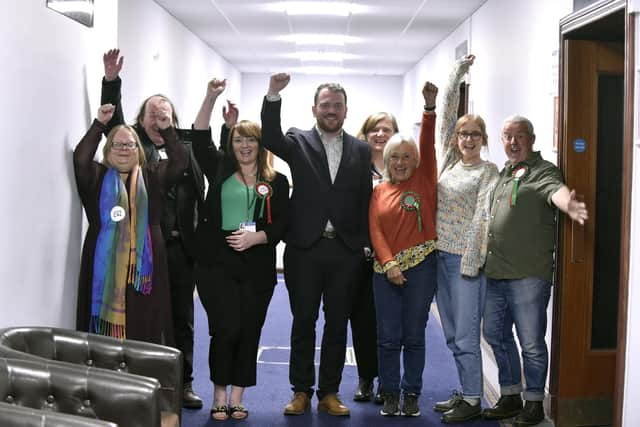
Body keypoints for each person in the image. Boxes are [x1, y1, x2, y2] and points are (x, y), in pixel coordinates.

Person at [261, 73, 372, 417]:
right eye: (325, 105)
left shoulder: (361, 149)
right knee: (304, 321)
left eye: (337, 106)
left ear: (346, 111)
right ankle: (301, 391)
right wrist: (273, 95)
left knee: (338, 324)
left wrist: (365, 245)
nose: (331, 110)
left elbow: (364, 198)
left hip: (345, 251)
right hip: (304, 249)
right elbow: (270, 136)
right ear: (314, 108)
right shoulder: (297, 141)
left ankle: (329, 392)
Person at [100, 49, 205, 408]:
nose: (161, 120)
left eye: (167, 115)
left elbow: (198, 190)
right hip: (137, 248)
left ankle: (183, 383)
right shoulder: (133, 147)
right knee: (143, 314)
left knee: (182, 319)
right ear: (141, 119)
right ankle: (141, 383)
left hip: (179, 248)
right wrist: (111, 82)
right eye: (154, 114)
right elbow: (114, 123)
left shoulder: (183, 150)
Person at [191, 78, 289, 421]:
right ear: (231, 143)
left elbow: (281, 225)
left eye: (251, 140)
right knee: (223, 329)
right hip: (216, 264)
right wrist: (210, 96)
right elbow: (200, 137)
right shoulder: (220, 169)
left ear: (261, 145)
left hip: (257, 266)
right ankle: (218, 394)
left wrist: (258, 238)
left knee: (249, 330)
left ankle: (237, 396)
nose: (244, 145)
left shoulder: (277, 181)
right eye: (238, 139)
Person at [481, 115, 588, 426]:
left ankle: (534, 403)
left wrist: (569, 204)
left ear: (532, 139)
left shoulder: (543, 172)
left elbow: (556, 191)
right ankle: (511, 394)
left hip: (529, 275)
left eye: (520, 136)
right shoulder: (504, 173)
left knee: (530, 341)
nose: (513, 142)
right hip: (496, 272)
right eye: (507, 136)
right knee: (495, 334)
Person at [73, 103, 187, 346]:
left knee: (143, 321)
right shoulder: (96, 177)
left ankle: (140, 375)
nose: (124, 149)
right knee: (102, 336)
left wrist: (167, 129)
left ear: (139, 149)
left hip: (144, 269)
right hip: (102, 264)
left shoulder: (153, 176)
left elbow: (180, 162)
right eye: (118, 144)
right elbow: (80, 158)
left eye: (130, 144)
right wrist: (99, 125)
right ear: (108, 149)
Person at [430, 55, 499, 423]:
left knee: (468, 334)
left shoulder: (489, 172)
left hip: (465, 263)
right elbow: (444, 116)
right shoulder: (448, 162)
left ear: (483, 139)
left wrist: (471, 262)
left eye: (474, 133)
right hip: (440, 256)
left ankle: (474, 400)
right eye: (463, 133)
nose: (467, 138)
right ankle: (466, 391)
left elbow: (483, 218)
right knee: (453, 332)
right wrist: (457, 74)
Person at [368, 81, 439, 417]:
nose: (399, 162)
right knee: (387, 337)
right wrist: (389, 263)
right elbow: (375, 230)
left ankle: (412, 393)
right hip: (385, 271)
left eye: (406, 156)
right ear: (386, 159)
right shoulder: (379, 191)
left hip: (423, 267)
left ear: (416, 160)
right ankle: (390, 393)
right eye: (394, 156)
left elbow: (427, 141)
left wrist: (429, 108)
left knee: (413, 335)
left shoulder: (424, 181)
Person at [350, 112, 399, 404]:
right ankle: (366, 378)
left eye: (387, 129)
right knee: (363, 320)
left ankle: (388, 380)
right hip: (360, 256)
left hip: (394, 257)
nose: (380, 134)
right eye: (374, 130)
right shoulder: (354, 167)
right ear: (365, 134)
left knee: (390, 322)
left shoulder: (403, 167)